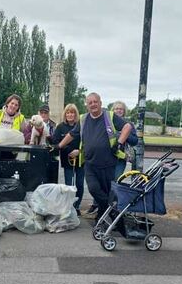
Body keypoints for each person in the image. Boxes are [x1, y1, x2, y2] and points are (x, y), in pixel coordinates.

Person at [57, 92, 132, 224]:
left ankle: (102, 219)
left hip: (108, 163)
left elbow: (127, 127)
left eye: (95, 101)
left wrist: (119, 143)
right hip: (90, 163)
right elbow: (72, 134)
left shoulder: (110, 116)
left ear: (100, 103)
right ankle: (113, 213)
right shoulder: (83, 119)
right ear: (87, 105)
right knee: (93, 189)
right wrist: (58, 146)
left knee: (106, 191)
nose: (93, 104)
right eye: (90, 102)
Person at [52, 104, 84, 215]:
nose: (70, 115)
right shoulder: (60, 127)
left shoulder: (81, 126)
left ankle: (77, 206)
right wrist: (69, 151)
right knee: (69, 184)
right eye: (68, 112)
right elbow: (56, 142)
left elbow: (87, 141)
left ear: (76, 114)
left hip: (80, 159)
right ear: (65, 114)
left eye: (72, 112)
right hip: (67, 158)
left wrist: (79, 152)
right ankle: (69, 206)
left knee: (79, 184)